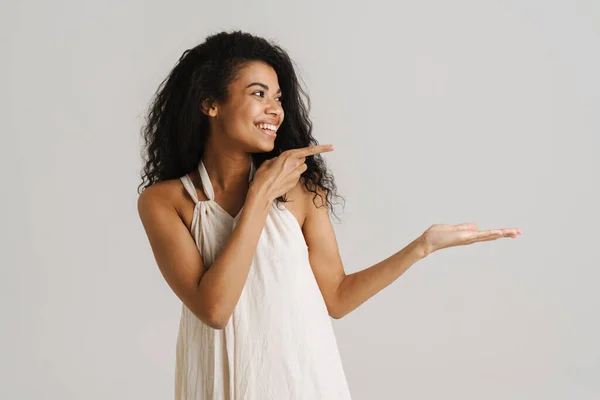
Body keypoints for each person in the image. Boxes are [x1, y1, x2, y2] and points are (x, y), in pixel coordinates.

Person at [136, 30, 522, 400]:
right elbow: (215, 310)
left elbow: (336, 298)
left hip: (300, 380)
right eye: (258, 94)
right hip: (217, 383)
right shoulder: (165, 202)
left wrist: (422, 247)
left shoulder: (301, 191)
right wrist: (259, 196)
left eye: (279, 97)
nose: (275, 109)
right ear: (210, 103)